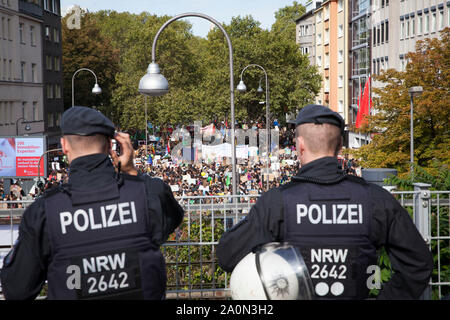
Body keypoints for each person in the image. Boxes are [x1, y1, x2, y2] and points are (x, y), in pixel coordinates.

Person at [217, 104, 433, 300]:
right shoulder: (375, 199)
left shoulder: (277, 202)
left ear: (299, 145)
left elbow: (227, 255)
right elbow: (418, 263)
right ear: (340, 145)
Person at [0, 106, 184, 300]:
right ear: (110, 145)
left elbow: (17, 289)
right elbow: (173, 218)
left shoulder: (44, 212)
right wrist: (130, 170)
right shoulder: (147, 194)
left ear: (64, 146)